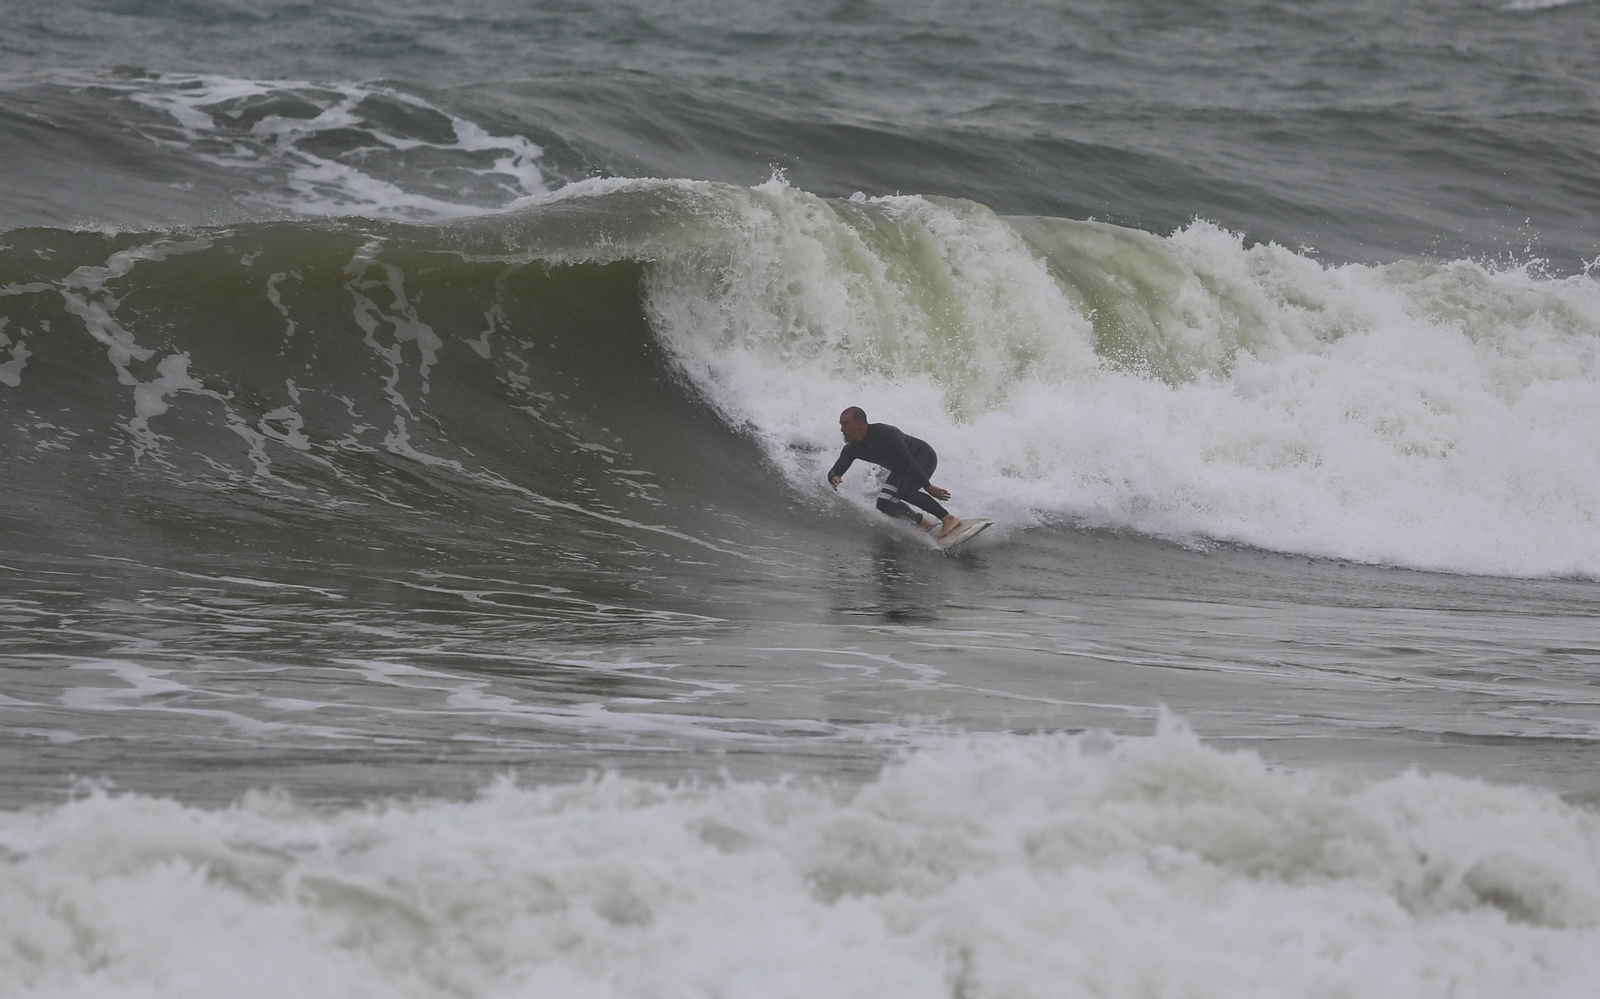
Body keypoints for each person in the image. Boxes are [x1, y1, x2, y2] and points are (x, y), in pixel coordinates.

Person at [827, 407, 962, 539]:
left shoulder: (885, 434)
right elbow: (834, 471)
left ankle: (948, 518)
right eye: (841, 425)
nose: (842, 429)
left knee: (905, 491)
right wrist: (834, 477)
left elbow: (909, 460)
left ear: (860, 423)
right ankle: (922, 522)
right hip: (902, 469)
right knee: (884, 504)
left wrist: (928, 486)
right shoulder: (852, 449)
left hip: (921, 457)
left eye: (846, 424)